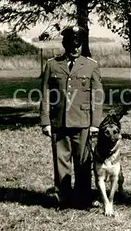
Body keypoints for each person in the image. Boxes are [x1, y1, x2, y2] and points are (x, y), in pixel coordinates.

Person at [40, 25, 104, 209]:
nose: (75, 48)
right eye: (71, 44)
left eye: (78, 44)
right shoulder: (52, 64)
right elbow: (45, 94)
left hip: (83, 121)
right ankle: (64, 198)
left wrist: (95, 124)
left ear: (82, 44)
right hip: (59, 121)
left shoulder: (90, 64)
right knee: (61, 161)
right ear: (64, 44)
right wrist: (45, 121)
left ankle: (83, 198)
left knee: (83, 161)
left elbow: (97, 96)